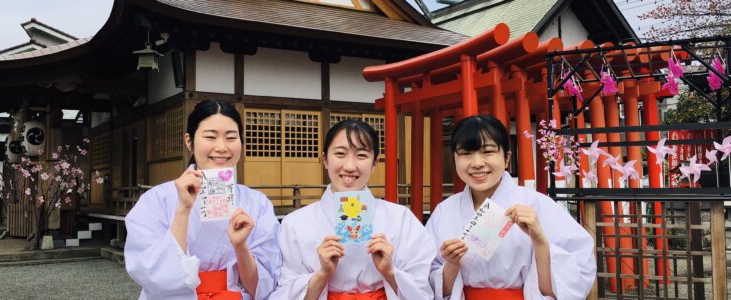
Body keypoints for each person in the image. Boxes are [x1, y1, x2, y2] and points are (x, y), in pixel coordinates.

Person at [425, 115, 596, 300]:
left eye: (488, 152)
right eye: (466, 154)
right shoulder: (444, 211)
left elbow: (569, 280)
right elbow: (424, 283)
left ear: (506, 158)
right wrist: (451, 265)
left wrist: (540, 242)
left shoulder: (537, 204)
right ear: (455, 159)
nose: (477, 163)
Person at [124, 100, 281, 300]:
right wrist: (183, 209)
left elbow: (262, 287)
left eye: (231, 137)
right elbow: (150, 273)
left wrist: (241, 247)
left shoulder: (257, 203)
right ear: (189, 141)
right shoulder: (156, 199)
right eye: (210, 137)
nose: (222, 147)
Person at [270, 119, 435, 300]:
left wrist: (390, 272)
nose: (349, 166)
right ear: (325, 159)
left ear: (374, 164)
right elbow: (282, 292)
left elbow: (423, 291)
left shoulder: (401, 218)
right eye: (340, 154)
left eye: (362, 155)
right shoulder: (295, 223)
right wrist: (322, 274)